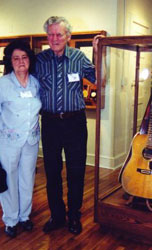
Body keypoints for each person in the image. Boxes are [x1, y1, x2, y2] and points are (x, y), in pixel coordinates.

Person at [35, 16, 96, 235]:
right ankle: (57, 215)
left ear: (68, 36)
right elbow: (22, 80)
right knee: (52, 172)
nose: (54, 38)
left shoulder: (80, 57)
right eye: (50, 34)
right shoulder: (39, 60)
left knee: (76, 171)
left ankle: (74, 217)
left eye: (59, 34)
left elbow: (99, 78)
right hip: (50, 123)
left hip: (75, 123)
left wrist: (100, 52)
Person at [0, 40, 42, 238]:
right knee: (9, 180)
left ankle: (24, 216)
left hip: (31, 141)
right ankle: (10, 219)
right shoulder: (2, 84)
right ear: (10, 61)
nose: (21, 61)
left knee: (27, 179)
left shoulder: (36, 83)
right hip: (7, 141)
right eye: (16, 58)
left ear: (29, 60)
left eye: (24, 57)